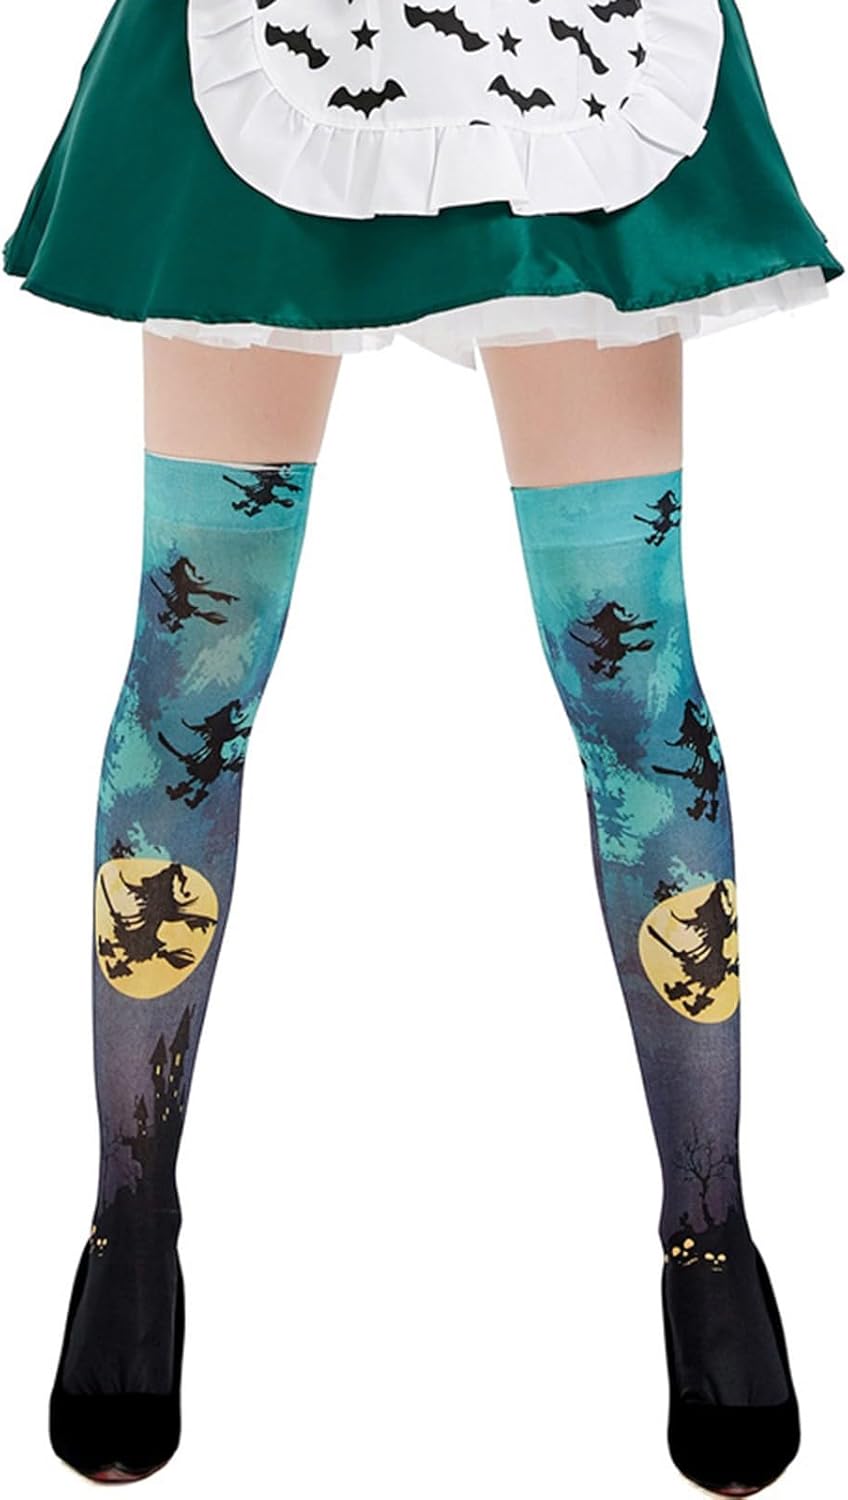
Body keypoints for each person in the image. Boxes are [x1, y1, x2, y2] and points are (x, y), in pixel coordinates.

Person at [3, 0, 843, 1492]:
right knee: (194, 670)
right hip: (273, 51)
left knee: (635, 688)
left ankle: (709, 1227)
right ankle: (129, 1214)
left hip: (565, 63)